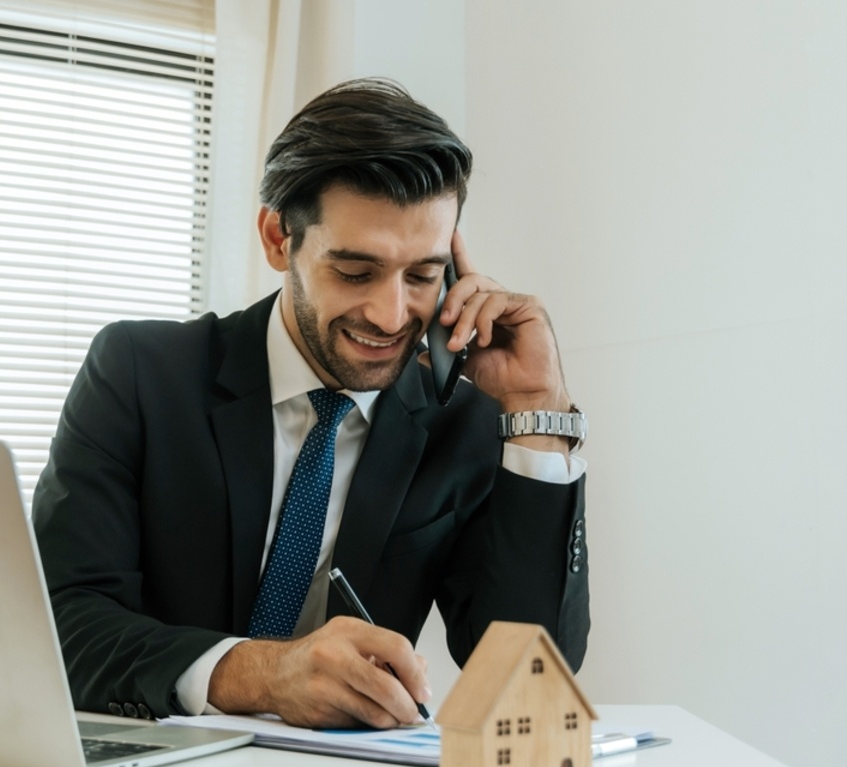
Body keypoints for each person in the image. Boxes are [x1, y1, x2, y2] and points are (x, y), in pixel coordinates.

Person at [32, 78, 588, 731]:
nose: (390, 314)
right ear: (277, 238)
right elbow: (60, 624)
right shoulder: (140, 373)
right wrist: (263, 673)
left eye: (422, 275)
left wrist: (536, 409)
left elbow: (527, 668)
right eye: (355, 271)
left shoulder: (462, 422)